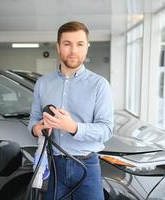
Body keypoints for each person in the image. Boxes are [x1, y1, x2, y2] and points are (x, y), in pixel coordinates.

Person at [28, 21, 114, 200]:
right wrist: (37, 129)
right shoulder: (43, 83)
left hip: (87, 167)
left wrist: (73, 127)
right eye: (67, 44)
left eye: (80, 44)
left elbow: (106, 130)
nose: (73, 50)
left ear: (87, 47)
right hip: (55, 166)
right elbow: (33, 121)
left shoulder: (100, 85)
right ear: (58, 47)